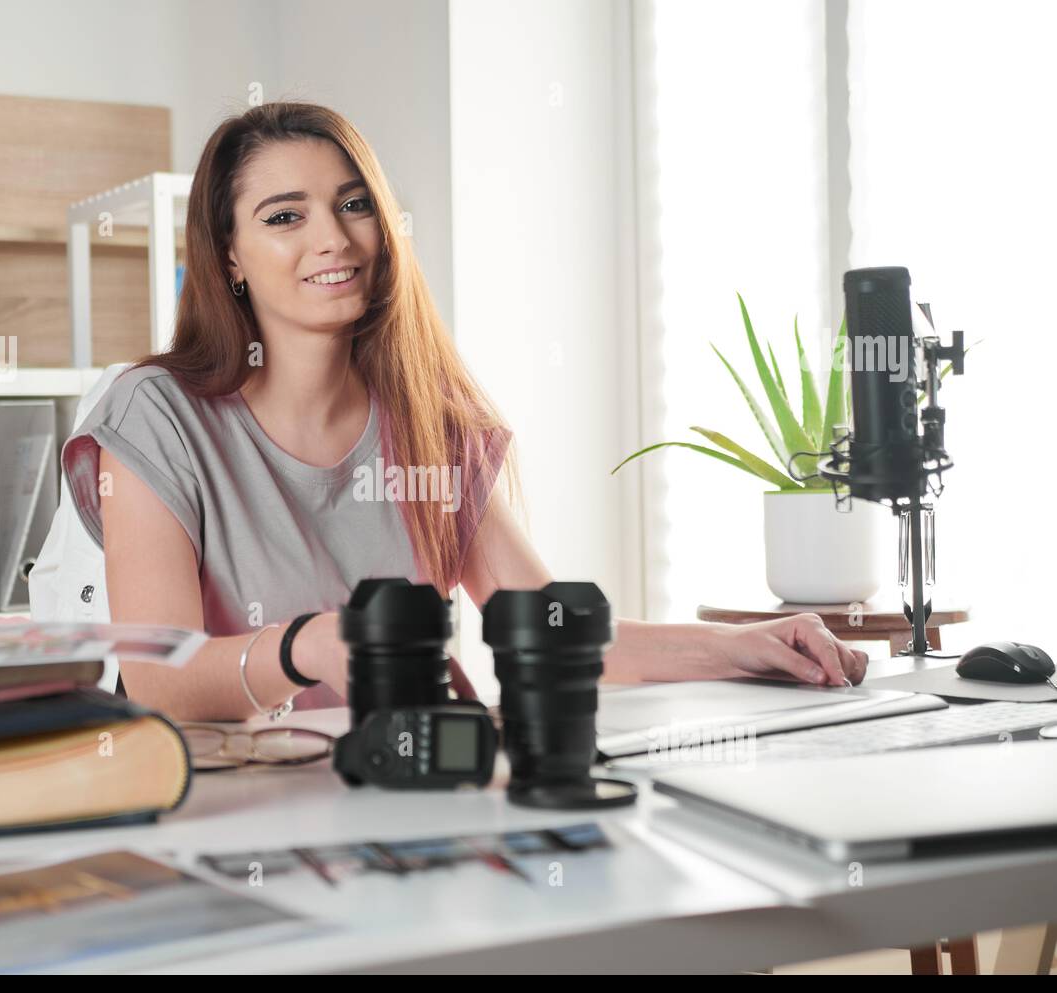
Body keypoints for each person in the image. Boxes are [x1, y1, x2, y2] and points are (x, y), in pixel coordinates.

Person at [59, 101, 866, 723]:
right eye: (284, 217)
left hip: (409, 796)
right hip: (237, 824)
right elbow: (160, 681)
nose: (333, 239)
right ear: (229, 253)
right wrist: (308, 646)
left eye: (353, 204)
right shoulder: (156, 417)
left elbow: (546, 623)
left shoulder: (428, 425)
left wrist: (746, 644)